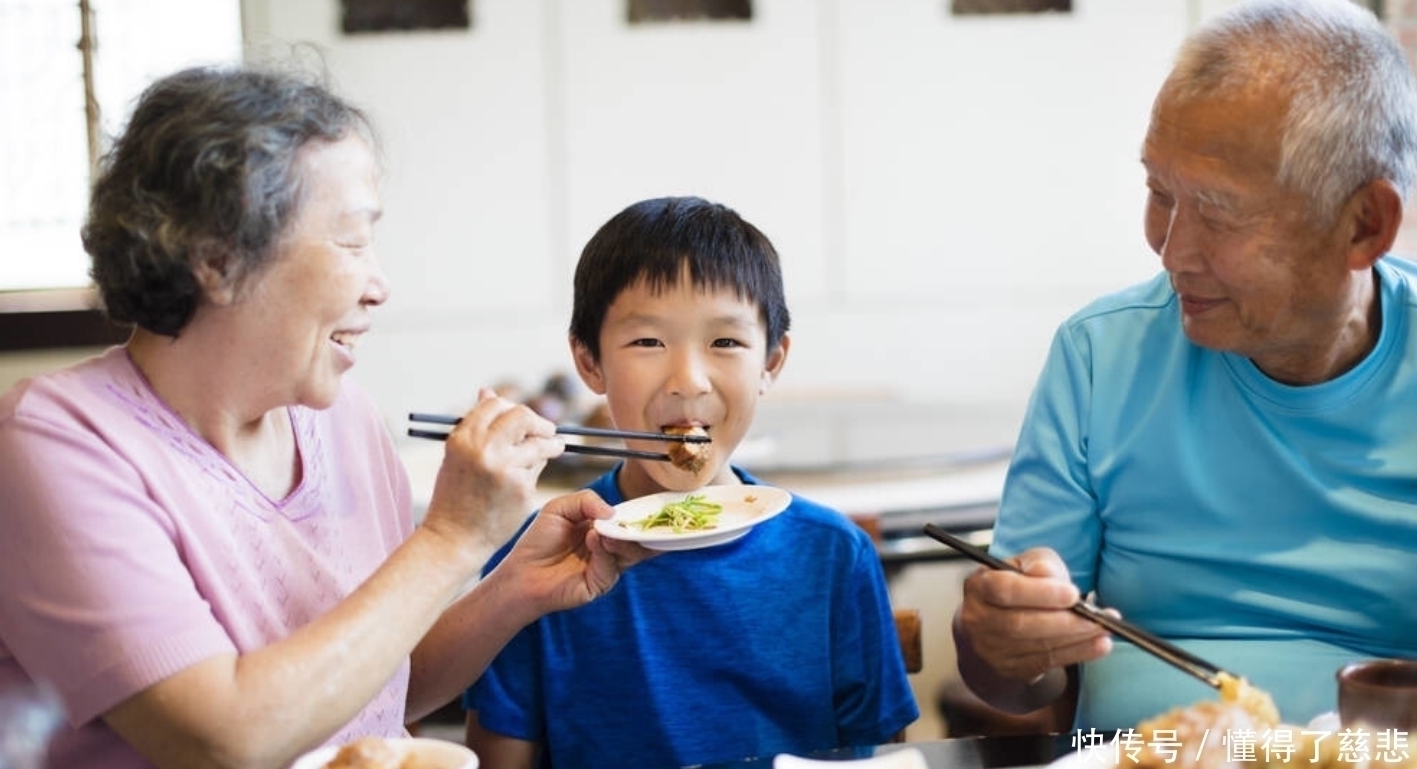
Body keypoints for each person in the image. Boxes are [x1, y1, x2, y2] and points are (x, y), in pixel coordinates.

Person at [0, 64, 652, 769]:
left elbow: (371, 685)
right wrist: (453, 537)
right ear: (217, 258)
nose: (380, 285)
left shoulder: (342, 418)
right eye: (352, 242)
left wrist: (514, 588)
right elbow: (222, 739)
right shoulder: (54, 443)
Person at [953, 0, 1417, 733]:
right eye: (1159, 194)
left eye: (1219, 212)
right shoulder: (1100, 356)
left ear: (1364, 224)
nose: (1171, 252)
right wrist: (1001, 643)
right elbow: (1017, 685)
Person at [462, 196, 920, 769]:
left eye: (725, 342)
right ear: (590, 361)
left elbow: (883, 757)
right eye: (648, 342)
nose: (689, 380)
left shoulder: (832, 555)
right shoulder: (539, 560)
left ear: (771, 362)